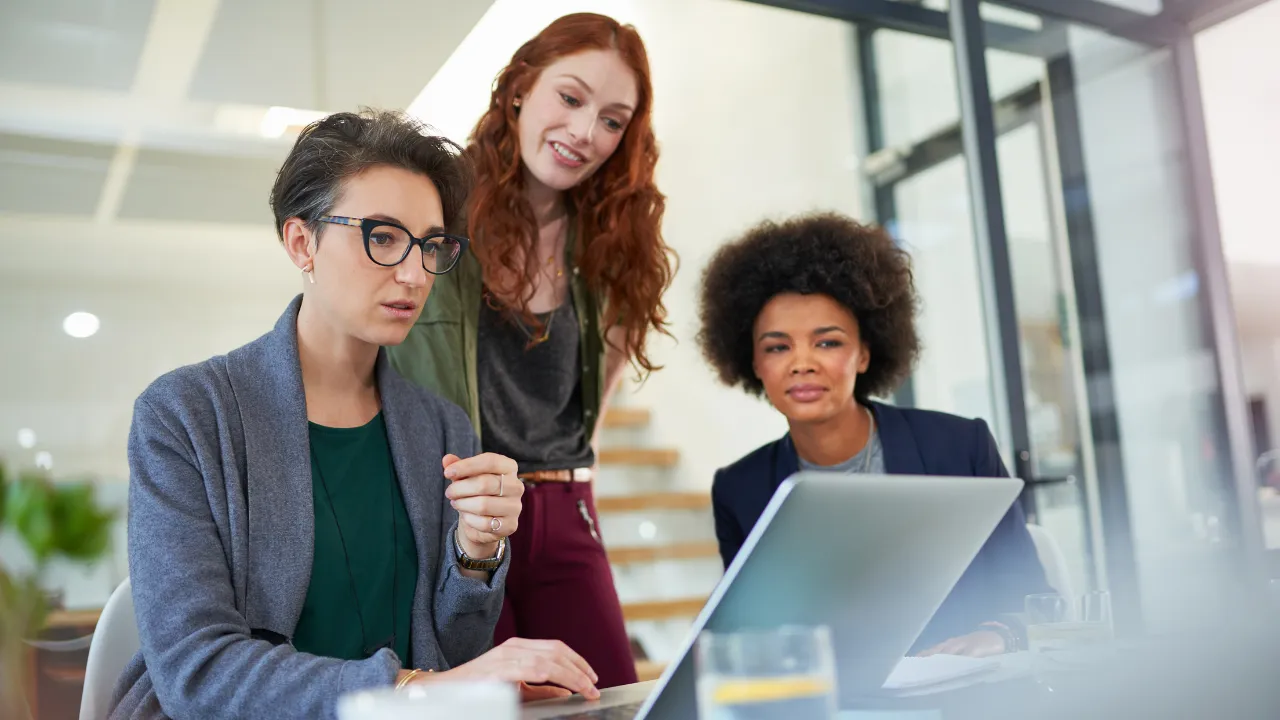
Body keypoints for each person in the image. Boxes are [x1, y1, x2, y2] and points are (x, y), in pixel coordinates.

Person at [111, 110, 601, 720]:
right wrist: (413, 690)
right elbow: (200, 674)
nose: (414, 273)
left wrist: (476, 552)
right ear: (302, 242)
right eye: (383, 236)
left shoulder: (441, 428)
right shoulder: (186, 416)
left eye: (430, 245)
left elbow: (453, 652)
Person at [388, 13, 672, 688]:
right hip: (460, 512)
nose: (585, 132)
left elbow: (596, 392)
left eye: (612, 119)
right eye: (570, 98)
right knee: (499, 704)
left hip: (566, 513)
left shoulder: (610, 238)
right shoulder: (435, 207)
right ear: (519, 89)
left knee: (609, 699)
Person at [697, 212, 1053, 658]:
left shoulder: (958, 448)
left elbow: (1035, 599)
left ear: (865, 353)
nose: (802, 362)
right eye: (777, 346)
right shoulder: (740, 490)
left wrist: (1000, 634)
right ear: (753, 364)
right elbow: (753, 637)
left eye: (827, 342)